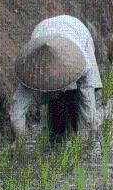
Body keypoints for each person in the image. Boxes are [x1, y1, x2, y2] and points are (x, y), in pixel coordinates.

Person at [9, 14, 103, 144]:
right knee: (57, 104)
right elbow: (17, 111)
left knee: (78, 99)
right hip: (43, 31)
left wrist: (84, 141)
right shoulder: (31, 67)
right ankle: (56, 135)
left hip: (76, 31)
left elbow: (87, 101)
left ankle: (72, 130)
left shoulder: (82, 61)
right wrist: (20, 142)